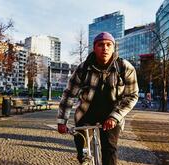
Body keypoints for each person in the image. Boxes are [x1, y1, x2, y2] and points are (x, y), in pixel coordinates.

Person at [57, 32, 138, 165]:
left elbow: (132, 95)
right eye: (100, 45)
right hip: (86, 114)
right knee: (83, 151)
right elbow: (69, 94)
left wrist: (115, 117)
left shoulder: (125, 67)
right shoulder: (83, 69)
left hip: (112, 115)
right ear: (94, 48)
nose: (105, 48)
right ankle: (84, 159)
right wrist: (62, 121)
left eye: (108, 45)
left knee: (110, 150)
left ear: (113, 48)